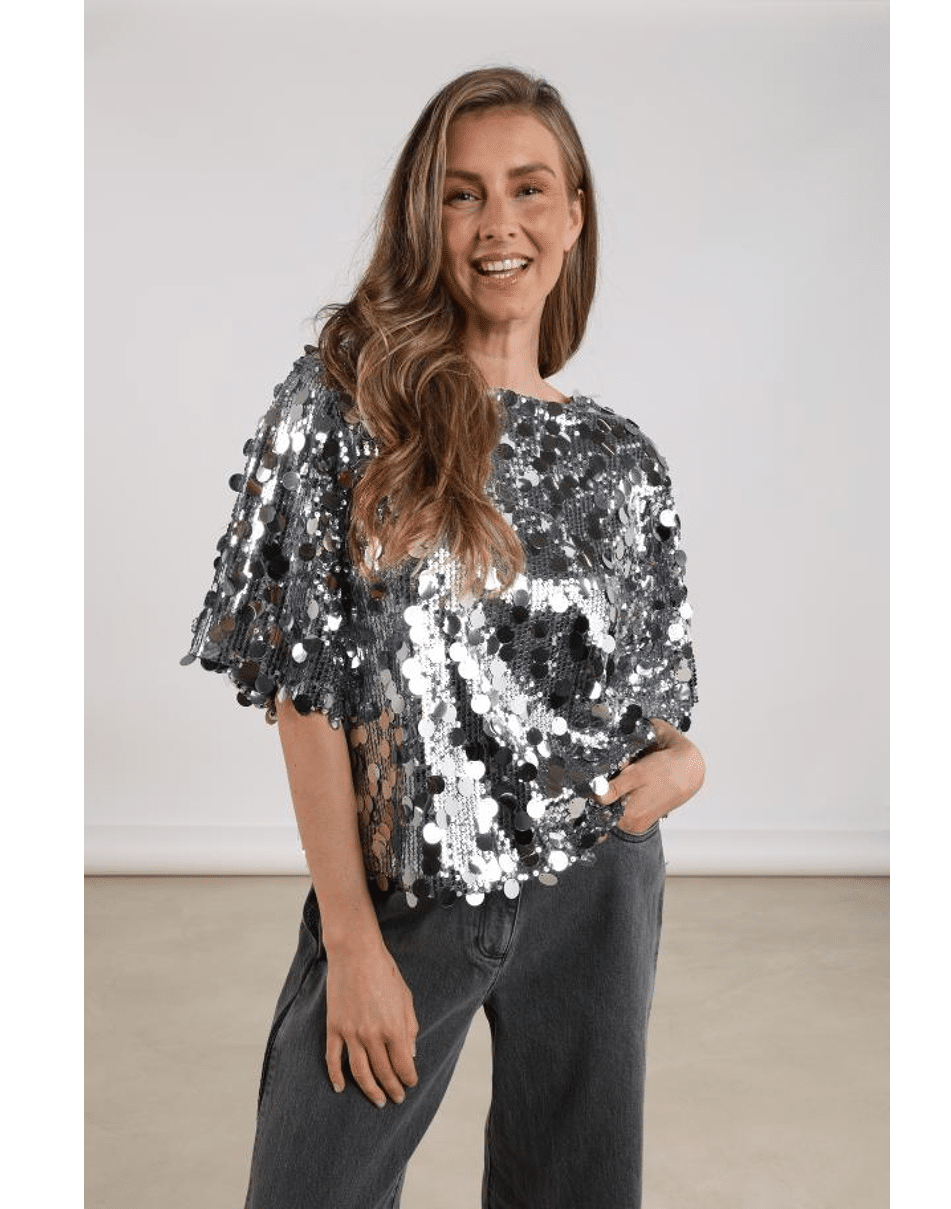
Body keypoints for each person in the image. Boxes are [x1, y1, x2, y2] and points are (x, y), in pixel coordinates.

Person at [181, 65, 705, 1209]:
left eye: (528, 188)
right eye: (464, 194)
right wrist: (351, 940)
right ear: (427, 219)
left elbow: (650, 709)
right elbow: (306, 689)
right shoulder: (345, 404)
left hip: (597, 886)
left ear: (574, 216)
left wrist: (686, 764)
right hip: (407, 892)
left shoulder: (623, 460)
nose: (498, 222)